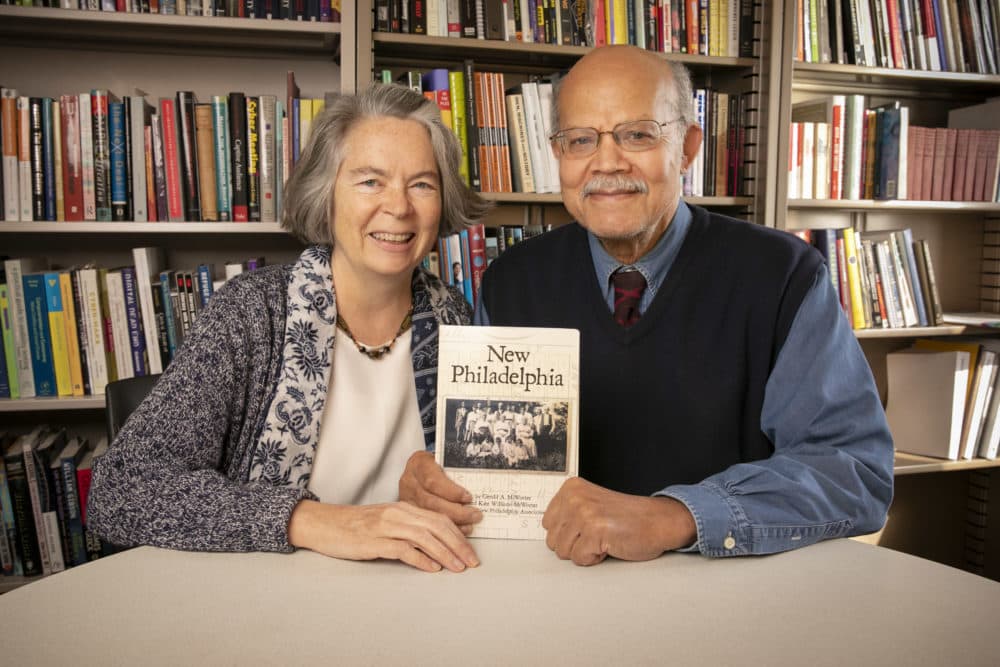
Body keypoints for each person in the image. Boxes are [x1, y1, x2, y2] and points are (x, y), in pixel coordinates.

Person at [399, 45, 894, 566]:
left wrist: (674, 516)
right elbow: (491, 465)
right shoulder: (510, 283)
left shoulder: (784, 277)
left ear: (687, 147)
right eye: (581, 140)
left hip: (731, 608)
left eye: (637, 134)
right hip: (548, 594)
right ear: (557, 154)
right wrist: (440, 483)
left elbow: (852, 471)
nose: (607, 162)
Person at [87, 84, 490, 573]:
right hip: (266, 606)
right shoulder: (251, 313)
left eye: (422, 184)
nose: (399, 207)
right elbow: (121, 489)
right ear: (327, 194)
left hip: (422, 598)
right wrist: (311, 520)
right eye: (370, 182)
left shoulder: (461, 320)